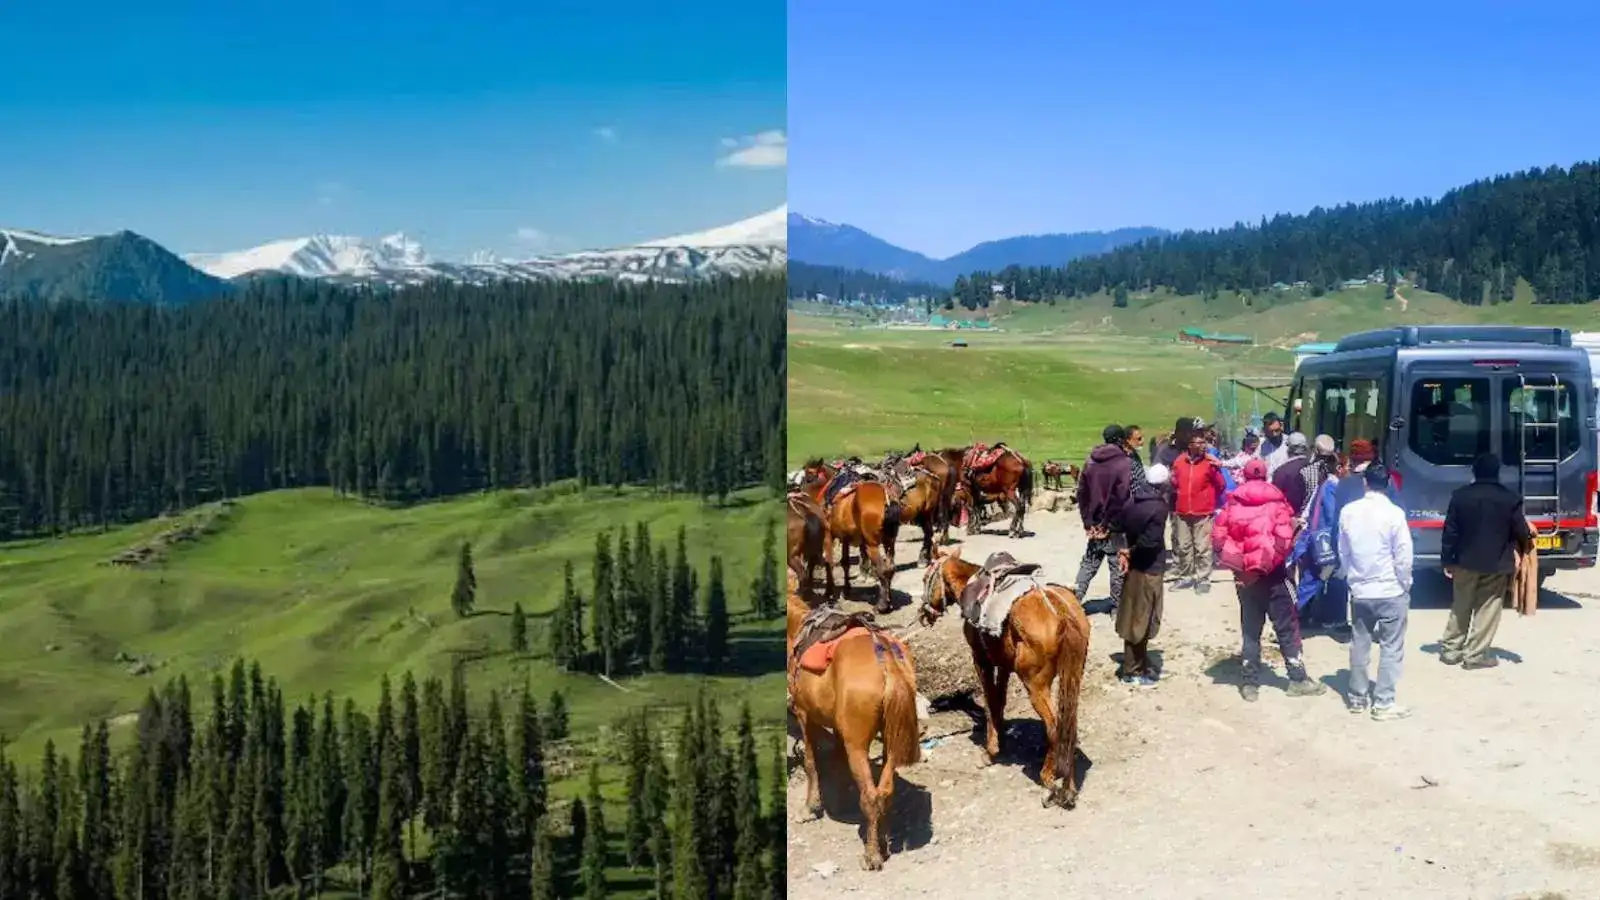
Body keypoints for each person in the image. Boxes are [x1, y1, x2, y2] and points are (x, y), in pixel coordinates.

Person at [1213, 459, 1327, 701]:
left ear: (1243, 476)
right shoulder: (1278, 505)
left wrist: (1243, 569)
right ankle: (1297, 679)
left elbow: (1218, 541)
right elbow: (1283, 542)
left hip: (1245, 579)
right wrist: (1262, 567)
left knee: (1251, 629)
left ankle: (1249, 683)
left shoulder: (1232, 505)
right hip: (1274, 575)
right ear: (1266, 476)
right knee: (1286, 626)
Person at [1439, 452, 1534, 669]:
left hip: (1464, 561)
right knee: (1488, 607)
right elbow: (1521, 530)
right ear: (1497, 473)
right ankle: (1475, 655)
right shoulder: (1510, 498)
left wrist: (1447, 560)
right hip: (1496, 563)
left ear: (1474, 472)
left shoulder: (1460, 496)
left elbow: (1450, 532)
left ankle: (1451, 650)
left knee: (1461, 604)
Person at [1338, 463, 1413, 719]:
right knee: (1392, 647)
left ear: (1365, 483)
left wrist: (1352, 578)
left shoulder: (1349, 512)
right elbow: (1403, 555)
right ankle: (1383, 703)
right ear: (1389, 484)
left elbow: (1344, 551)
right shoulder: (1395, 514)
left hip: (1361, 590)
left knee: (1360, 642)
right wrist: (1405, 583)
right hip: (1390, 589)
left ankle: (1357, 698)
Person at [1115, 463, 1170, 686]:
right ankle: (1133, 670)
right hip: (1149, 569)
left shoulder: (1131, 501)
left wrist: (1123, 552)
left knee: (1134, 615)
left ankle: (1139, 662)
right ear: (1164, 485)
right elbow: (1151, 541)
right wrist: (1130, 551)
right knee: (1144, 619)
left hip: (1134, 568)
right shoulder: (1159, 508)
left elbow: (1115, 527)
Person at [1076, 424, 1133, 612]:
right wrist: (1108, 524)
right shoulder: (1123, 462)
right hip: (1115, 524)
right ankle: (1117, 607)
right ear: (1119, 440)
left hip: (1094, 525)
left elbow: (1082, 493)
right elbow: (1121, 496)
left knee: (1089, 563)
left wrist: (1088, 522)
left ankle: (1074, 600)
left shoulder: (1090, 461)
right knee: (1117, 565)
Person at [1171, 429, 1225, 593]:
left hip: (1203, 512)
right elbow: (1174, 481)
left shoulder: (1210, 463)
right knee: (1183, 546)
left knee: (1202, 547)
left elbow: (1220, 485)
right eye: (1199, 443)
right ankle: (1185, 576)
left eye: (1204, 442)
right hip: (1182, 511)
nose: (1203, 446)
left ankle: (1202, 578)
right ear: (1190, 445)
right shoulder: (1179, 461)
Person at [1271, 432, 1311, 517]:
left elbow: (1274, 502)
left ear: (1289, 449)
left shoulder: (1280, 472)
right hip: (1311, 522)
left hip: (1287, 520)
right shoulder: (1314, 468)